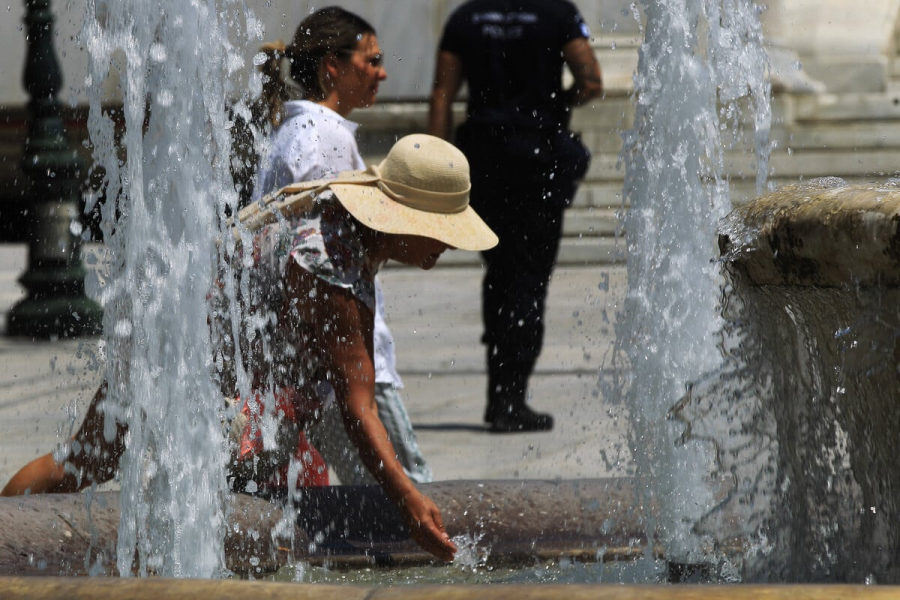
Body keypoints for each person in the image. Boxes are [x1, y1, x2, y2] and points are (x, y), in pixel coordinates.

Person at [1, 133, 499, 562]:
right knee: (100, 464)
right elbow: (357, 405)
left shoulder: (340, 219)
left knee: (86, 461)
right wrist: (408, 496)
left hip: (179, 342)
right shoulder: (334, 266)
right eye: (440, 230)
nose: (449, 244)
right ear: (403, 216)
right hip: (185, 360)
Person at [252, 7, 432, 485]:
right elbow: (319, 256)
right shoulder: (322, 137)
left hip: (309, 362)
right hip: (339, 362)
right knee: (405, 491)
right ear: (333, 64)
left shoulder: (296, 131)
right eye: (370, 60)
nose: (382, 71)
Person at [428, 0, 603, 433]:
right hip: (537, 156)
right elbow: (591, 80)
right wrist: (555, 103)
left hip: (484, 158)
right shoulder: (557, 13)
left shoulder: (466, 18)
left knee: (500, 272)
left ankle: (499, 395)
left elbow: (442, 96)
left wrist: (434, 164)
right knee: (529, 278)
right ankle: (511, 398)